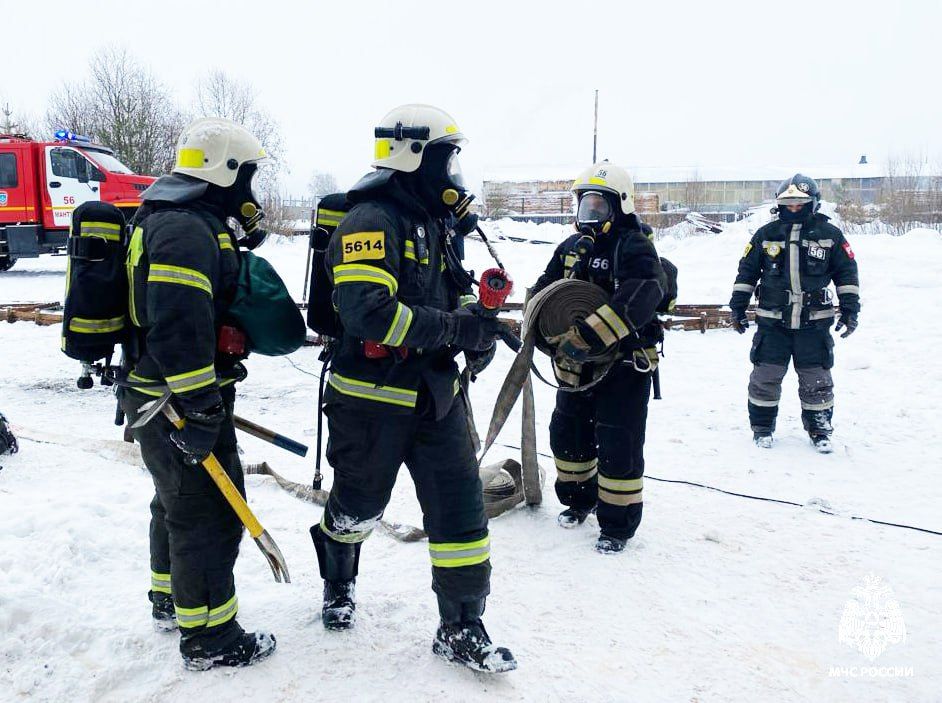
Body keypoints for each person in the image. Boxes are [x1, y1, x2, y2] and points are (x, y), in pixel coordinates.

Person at [312, 104, 516, 673]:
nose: (452, 173)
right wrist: (455, 328)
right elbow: (368, 314)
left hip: (438, 400)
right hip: (371, 404)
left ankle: (462, 626)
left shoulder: (435, 226)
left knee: (461, 516)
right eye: (446, 158)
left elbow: (453, 298)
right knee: (358, 507)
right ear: (414, 156)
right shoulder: (370, 221)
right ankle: (337, 583)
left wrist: (478, 329)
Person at [120, 117, 276, 670]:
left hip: (157, 397)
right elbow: (178, 328)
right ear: (225, 171)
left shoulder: (173, 217)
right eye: (248, 176)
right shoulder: (185, 229)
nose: (251, 189)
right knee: (208, 513)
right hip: (176, 402)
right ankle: (211, 636)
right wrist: (202, 404)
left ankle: (170, 597)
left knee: (175, 503)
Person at [531, 162, 667, 554]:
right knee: (568, 435)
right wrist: (544, 331)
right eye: (585, 205)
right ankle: (578, 500)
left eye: (598, 206)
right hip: (575, 368)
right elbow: (544, 290)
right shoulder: (571, 249)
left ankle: (617, 525)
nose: (589, 214)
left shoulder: (635, 245)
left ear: (619, 206)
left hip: (624, 365)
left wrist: (588, 336)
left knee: (618, 443)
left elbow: (642, 293)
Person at [729, 173, 860, 452]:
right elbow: (747, 272)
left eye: (800, 203)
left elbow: (847, 274)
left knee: (817, 381)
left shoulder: (830, 235)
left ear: (813, 203)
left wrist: (850, 310)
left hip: (815, 325)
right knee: (765, 378)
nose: (793, 208)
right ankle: (762, 429)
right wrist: (738, 306)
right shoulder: (766, 235)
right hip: (773, 323)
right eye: (788, 203)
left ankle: (820, 430)